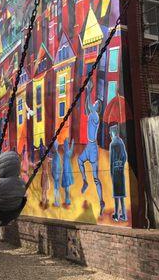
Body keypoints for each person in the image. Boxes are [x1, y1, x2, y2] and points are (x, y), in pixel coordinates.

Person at [77, 80, 105, 216]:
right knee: (79, 161)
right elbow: (85, 106)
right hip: (88, 146)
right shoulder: (91, 113)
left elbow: (88, 105)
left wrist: (88, 90)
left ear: (98, 107)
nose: (94, 103)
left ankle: (101, 201)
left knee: (96, 178)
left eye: (96, 103)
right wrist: (87, 93)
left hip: (93, 148)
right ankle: (84, 181)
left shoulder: (95, 116)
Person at [109, 123, 127, 222]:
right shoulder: (121, 142)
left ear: (113, 132)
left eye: (110, 132)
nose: (109, 134)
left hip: (115, 170)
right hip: (121, 170)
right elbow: (125, 157)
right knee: (121, 194)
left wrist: (111, 171)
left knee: (116, 194)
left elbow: (111, 160)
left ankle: (116, 214)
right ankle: (123, 215)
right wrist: (121, 164)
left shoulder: (113, 144)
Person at [61, 138, 75, 207]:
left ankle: (67, 201)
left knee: (67, 188)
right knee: (67, 188)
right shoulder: (66, 153)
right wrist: (72, 143)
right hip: (67, 173)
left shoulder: (65, 153)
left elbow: (70, 150)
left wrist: (72, 143)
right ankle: (67, 201)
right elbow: (71, 150)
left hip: (66, 173)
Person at [50, 140, 62, 207]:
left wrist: (55, 174)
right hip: (56, 174)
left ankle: (57, 202)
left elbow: (57, 166)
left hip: (56, 175)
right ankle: (56, 202)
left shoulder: (56, 155)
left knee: (56, 189)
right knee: (56, 189)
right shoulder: (55, 155)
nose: (52, 148)